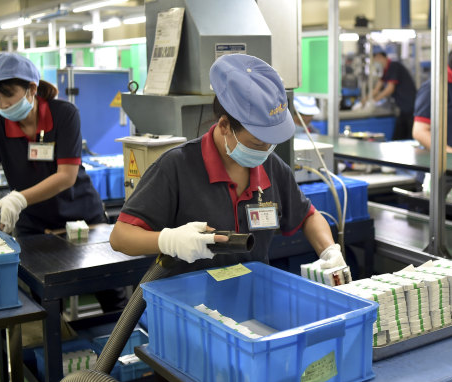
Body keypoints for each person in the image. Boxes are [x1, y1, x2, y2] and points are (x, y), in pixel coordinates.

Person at [0, 53, 126, 312]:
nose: (2, 104)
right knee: (48, 302)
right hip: (35, 226)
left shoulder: (63, 114)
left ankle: (118, 347)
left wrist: (19, 198)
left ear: (32, 89)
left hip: (83, 217)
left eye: (8, 95)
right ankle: (62, 349)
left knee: (112, 295)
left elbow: (67, 176)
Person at [110, 54, 346, 273]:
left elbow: (307, 216)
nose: (265, 151)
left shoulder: (272, 167)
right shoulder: (176, 167)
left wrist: (329, 250)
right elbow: (121, 237)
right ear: (224, 126)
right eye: (256, 143)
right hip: (193, 304)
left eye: (271, 143)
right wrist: (169, 240)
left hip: (253, 298)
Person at [364, 45, 416, 140]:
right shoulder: (386, 69)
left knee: (408, 137)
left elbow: (389, 89)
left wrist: (373, 101)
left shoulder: (393, 66)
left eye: (374, 60)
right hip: (402, 108)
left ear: (379, 56)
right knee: (398, 136)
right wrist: (365, 100)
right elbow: (376, 88)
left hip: (410, 106)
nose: (374, 63)